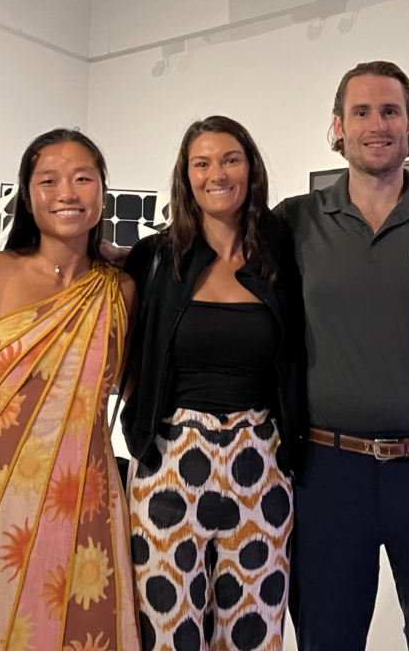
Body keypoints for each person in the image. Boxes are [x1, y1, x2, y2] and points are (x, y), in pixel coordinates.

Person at [275, 61, 409, 651]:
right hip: (327, 473)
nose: (377, 124)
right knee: (326, 638)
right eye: (362, 112)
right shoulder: (296, 220)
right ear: (338, 128)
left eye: (391, 111)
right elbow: (219, 259)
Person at [0, 129, 141, 651]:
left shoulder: (123, 289)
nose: (66, 192)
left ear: (102, 191)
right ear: (28, 195)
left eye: (82, 179)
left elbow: (139, 389)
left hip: (85, 494)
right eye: (48, 180)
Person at [121, 116, 303, 651]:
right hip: (168, 459)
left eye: (230, 159)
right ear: (185, 175)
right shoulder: (154, 258)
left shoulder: (283, 257)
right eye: (201, 162)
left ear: (251, 168)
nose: (216, 173)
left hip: (261, 461)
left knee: (254, 629)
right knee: (164, 630)